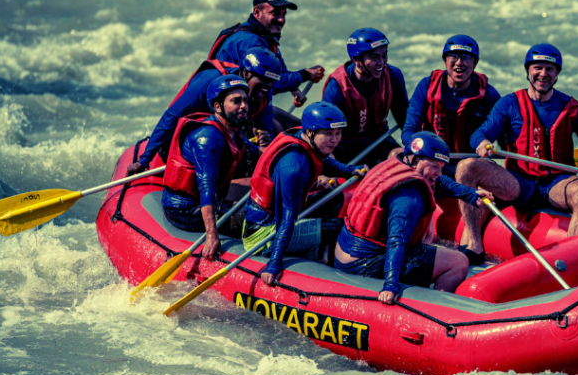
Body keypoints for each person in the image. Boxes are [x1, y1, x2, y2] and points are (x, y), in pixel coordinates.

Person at [455, 43, 578, 265]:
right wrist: (482, 143)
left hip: (556, 183)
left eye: (550, 69)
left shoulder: (571, 106)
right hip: (518, 182)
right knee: (466, 166)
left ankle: (575, 260)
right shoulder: (509, 104)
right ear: (528, 70)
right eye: (537, 68)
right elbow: (479, 134)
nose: (543, 74)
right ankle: (474, 244)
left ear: (557, 73)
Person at [334, 132, 493, 305]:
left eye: (441, 166)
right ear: (416, 160)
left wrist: (470, 194)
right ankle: (435, 308)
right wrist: (390, 285)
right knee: (459, 261)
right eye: (434, 166)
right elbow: (397, 242)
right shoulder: (409, 198)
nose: (439, 172)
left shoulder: (396, 164)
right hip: (363, 265)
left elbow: (440, 182)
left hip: (344, 253)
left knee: (426, 245)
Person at [243, 101, 367, 286]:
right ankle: (332, 265)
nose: (334, 140)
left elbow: (323, 159)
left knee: (335, 198)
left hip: (273, 215)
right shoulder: (293, 168)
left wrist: (349, 170)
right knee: (338, 228)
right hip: (263, 234)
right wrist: (273, 265)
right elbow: (286, 220)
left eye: (338, 133)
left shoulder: (302, 135)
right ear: (310, 132)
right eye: (328, 134)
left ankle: (318, 251)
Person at [128, 48, 283, 176]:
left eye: (271, 82)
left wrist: (265, 137)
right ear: (246, 74)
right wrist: (143, 161)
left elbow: (265, 126)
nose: (267, 87)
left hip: (228, 136)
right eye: (263, 81)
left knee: (276, 126)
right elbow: (171, 117)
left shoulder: (264, 90)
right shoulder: (209, 81)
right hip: (193, 141)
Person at [161, 75, 258, 260]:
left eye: (245, 100)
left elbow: (258, 156)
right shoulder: (208, 138)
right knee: (256, 216)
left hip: (209, 200)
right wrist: (211, 235)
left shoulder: (233, 131)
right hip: (185, 209)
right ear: (218, 106)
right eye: (236, 101)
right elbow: (207, 187)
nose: (244, 106)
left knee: (262, 194)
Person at [209, 0, 324, 110]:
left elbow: (279, 71)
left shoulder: (265, 37)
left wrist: (294, 89)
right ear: (257, 12)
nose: (281, 19)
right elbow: (268, 83)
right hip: (229, 110)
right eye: (274, 13)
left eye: (283, 14)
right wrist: (305, 75)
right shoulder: (250, 42)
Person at [402, 34, 501, 178]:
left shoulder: (488, 94)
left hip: (470, 163)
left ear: (475, 63)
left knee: (470, 169)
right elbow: (409, 130)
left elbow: (505, 138)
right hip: (433, 159)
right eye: (453, 56)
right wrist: (418, 151)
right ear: (445, 61)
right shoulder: (426, 86)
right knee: (399, 156)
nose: (459, 63)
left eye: (466, 58)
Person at [321, 28, 409, 167]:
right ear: (356, 59)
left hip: (379, 142)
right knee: (327, 159)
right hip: (343, 147)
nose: (381, 62)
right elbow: (326, 133)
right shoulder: (337, 87)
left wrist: (413, 147)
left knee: (402, 157)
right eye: (375, 57)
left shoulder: (393, 76)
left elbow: (405, 118)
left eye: (384, 55)